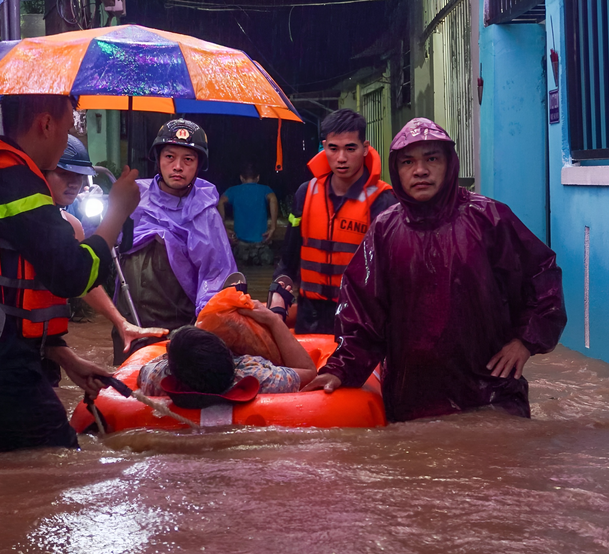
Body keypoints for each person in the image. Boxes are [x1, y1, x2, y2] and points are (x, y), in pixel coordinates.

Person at [302, 118, 567, 423]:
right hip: (411, 402)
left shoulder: (490, 219)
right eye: (408, 162)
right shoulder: (384, 231)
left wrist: (525, 342)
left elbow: (542, 279)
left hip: (492, 395)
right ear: (396, 169)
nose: (420, 170)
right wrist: (339, 370)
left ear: (449, 163)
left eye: (431, 159)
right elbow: (363, 315)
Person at [0, 94, 140, 454]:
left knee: (2, 484)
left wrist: (66, 358)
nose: (68, 138)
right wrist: (117, 212)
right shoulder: (12, 176)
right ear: (46, 125)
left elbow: (6, 294)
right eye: (69, 126)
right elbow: (72, 274)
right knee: (56, 470)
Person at [111, 118, 238, 364]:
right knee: (124, 389)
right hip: (126, 318)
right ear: (158, 159)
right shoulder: (132, 195)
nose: (177, 166)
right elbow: (101, 244)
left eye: (188, 159)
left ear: (198, 165)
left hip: (175, 329)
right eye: (169, 157)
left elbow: (216, 277)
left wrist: (202, 329)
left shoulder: (205, 214)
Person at [274, 109, 396, 335]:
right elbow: (288, 261)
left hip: (359, 322)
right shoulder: (305, 194)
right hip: (308, 317)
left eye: (350, 148)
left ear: (365, 148)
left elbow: (393, 276)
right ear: (324, 147)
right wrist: (277, 299)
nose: (341, 158)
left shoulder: (384, 202)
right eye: (333, 148)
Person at [45, 135, 168, 354]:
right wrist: (117, 210)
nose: (73, 183)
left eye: (79, 176)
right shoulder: (27, 219)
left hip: (45, 342)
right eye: (63, 174)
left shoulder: (72, 224)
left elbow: (81, 280)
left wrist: (121, 322)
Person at [137, 284, 317, 403]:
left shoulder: (157, 377)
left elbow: (142, 372)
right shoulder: (255, 375)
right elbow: (309, 372)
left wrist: (184, 346)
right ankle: (277, 314)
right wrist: (274, 321)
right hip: (235, 372)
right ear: (232, 357)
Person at [217, 162, 278, 266]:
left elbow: (220, 202)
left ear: (241, 178)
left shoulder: (233, 191)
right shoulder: (265, 190)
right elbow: (273, 199)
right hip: (261, 246)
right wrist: (273, 226)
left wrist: (223, 227)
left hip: (240, 246)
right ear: (258, 178)